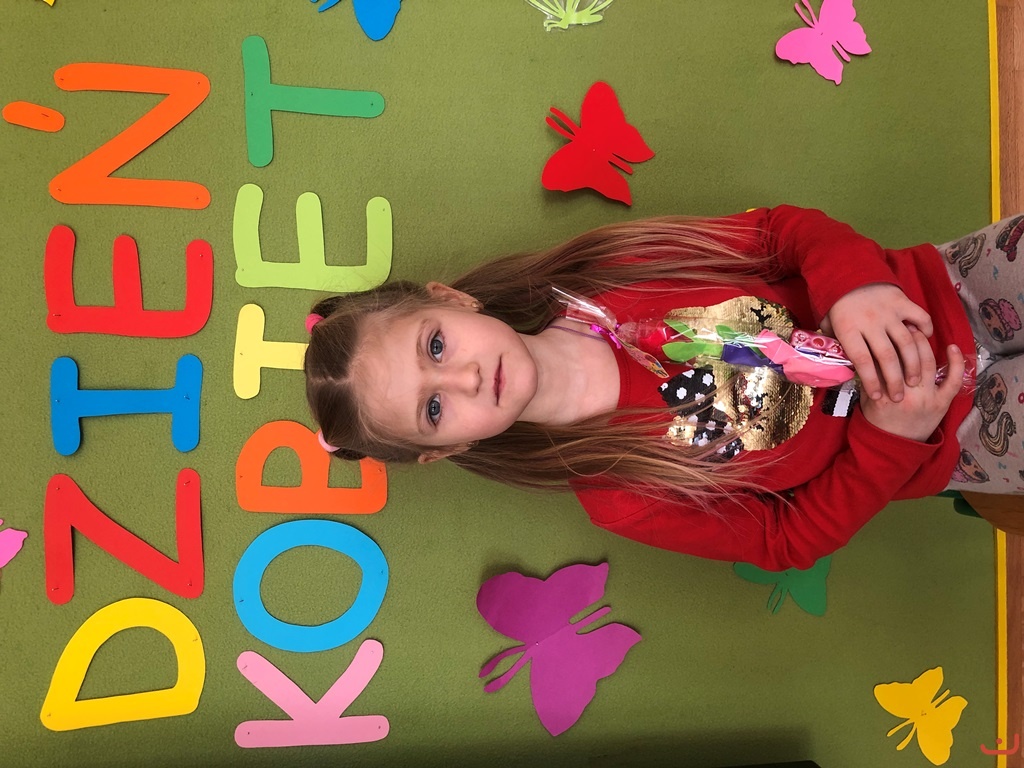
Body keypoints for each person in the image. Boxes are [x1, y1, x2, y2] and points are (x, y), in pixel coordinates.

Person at [304, 205, 1024, 570]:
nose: (463, 378)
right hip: (954, 440)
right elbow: (787, 540)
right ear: (447, 449)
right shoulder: (620, 498)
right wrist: (889, 441)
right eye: (434, 408)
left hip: (951, 287)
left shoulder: (616, 267)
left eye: (436, 345)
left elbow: (780, 235)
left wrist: (853, 286)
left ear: (451, 299)